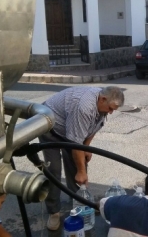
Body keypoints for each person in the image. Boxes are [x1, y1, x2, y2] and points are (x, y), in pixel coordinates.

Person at [39, 86, 124, 230]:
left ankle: (80, 201)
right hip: (50, 127)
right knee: (53, 170)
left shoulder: (101, 103)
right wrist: (81, 171)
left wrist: (87, 147)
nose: (111, 112)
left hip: (69, 130)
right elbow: (74, 143)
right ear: (103, 99)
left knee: (78, 163)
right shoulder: (83, 107)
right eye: (110, 108)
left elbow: (94, 126)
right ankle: (54, 211)